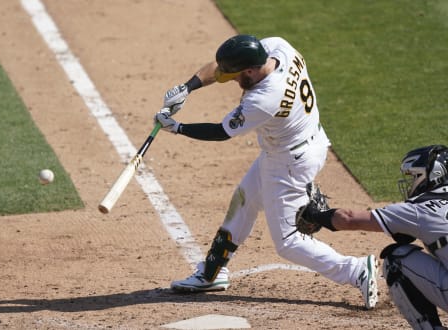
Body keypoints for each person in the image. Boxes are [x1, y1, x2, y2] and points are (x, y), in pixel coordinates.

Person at [154, 34, 378, 309]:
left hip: (289, 161)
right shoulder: (277, 47)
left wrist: (177, 128)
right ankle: (212, 273)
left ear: (250, 70)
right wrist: (188, 88)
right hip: (299, 144)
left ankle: (355, 270)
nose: (234, 81)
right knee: (245, 199)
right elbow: (222, 66)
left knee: (288, 241)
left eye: (237, 76)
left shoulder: (264, 99)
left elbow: (221, 132)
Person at [298, 144, 448, 329]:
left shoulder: (419, 210)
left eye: (414, 176)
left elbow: (350, 219)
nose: (410, 183)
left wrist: (315, 215)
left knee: (396, 260)